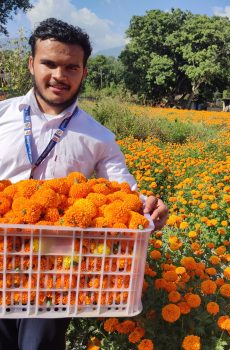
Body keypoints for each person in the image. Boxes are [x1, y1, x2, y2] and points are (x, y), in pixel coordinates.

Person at [0, 18, 168, 350]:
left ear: (84, 73)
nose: (59, 76)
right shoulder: (2, 116)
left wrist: (148, 204)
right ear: (31, 63)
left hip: (54, 267)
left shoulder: (99, 137)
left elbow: (124, 191)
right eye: (49, 63)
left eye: (71, 67)